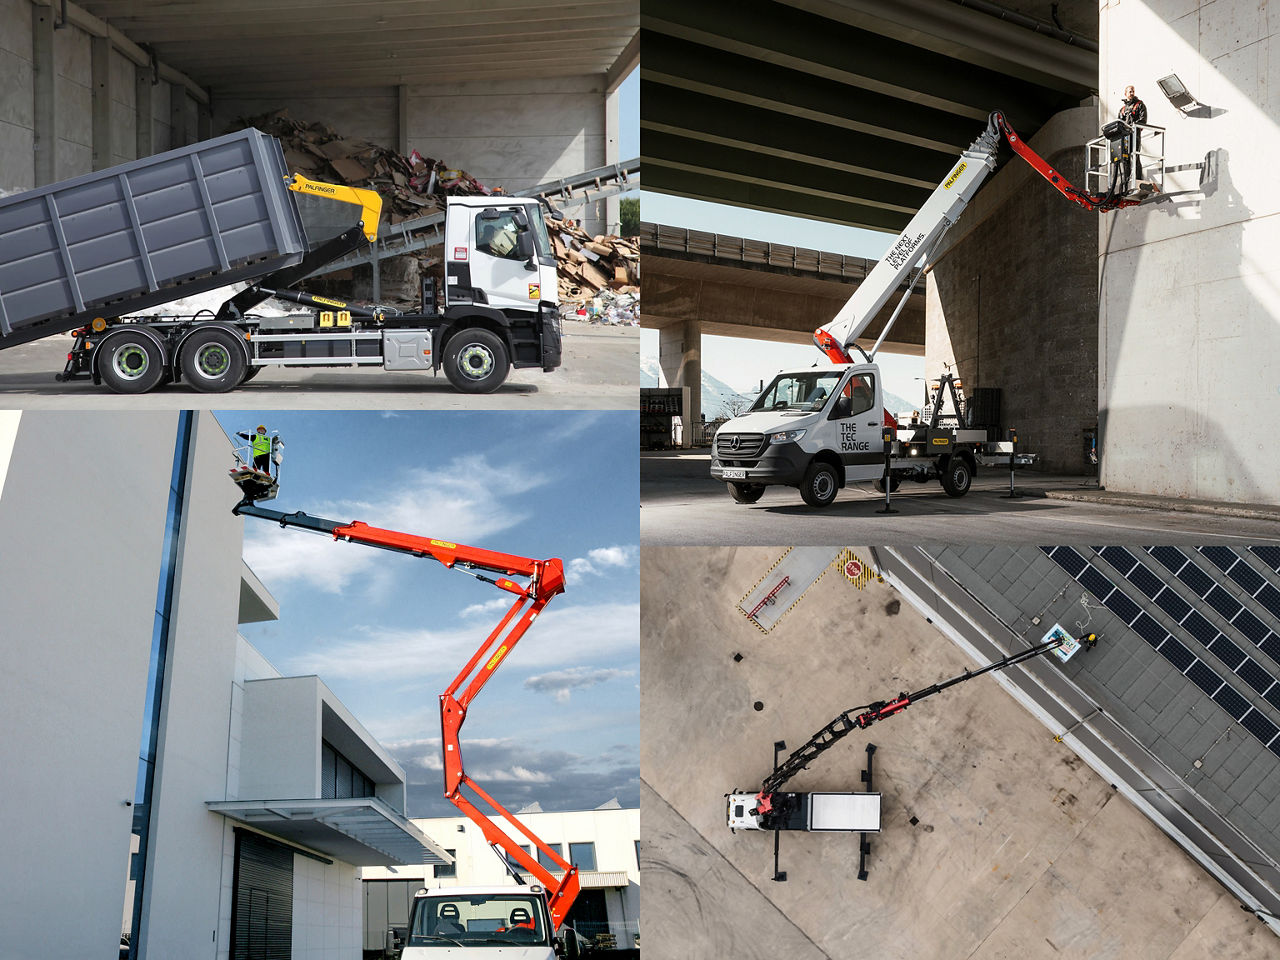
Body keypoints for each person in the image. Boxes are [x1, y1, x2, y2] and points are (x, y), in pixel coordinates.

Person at [1118, 85, 1147, 181]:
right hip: (1125, 137)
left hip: (1135, 135)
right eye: (1130, 91)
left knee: (1135, 156)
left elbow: (1143, 120)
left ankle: (1137, 179)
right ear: (1125, 93)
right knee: (1125, 159)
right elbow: (1119, 124)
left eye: (1133, 91)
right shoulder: (1122, 110)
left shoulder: (1139, 105)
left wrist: (1133, 126)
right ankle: (1126, 180)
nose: (1132, 93)